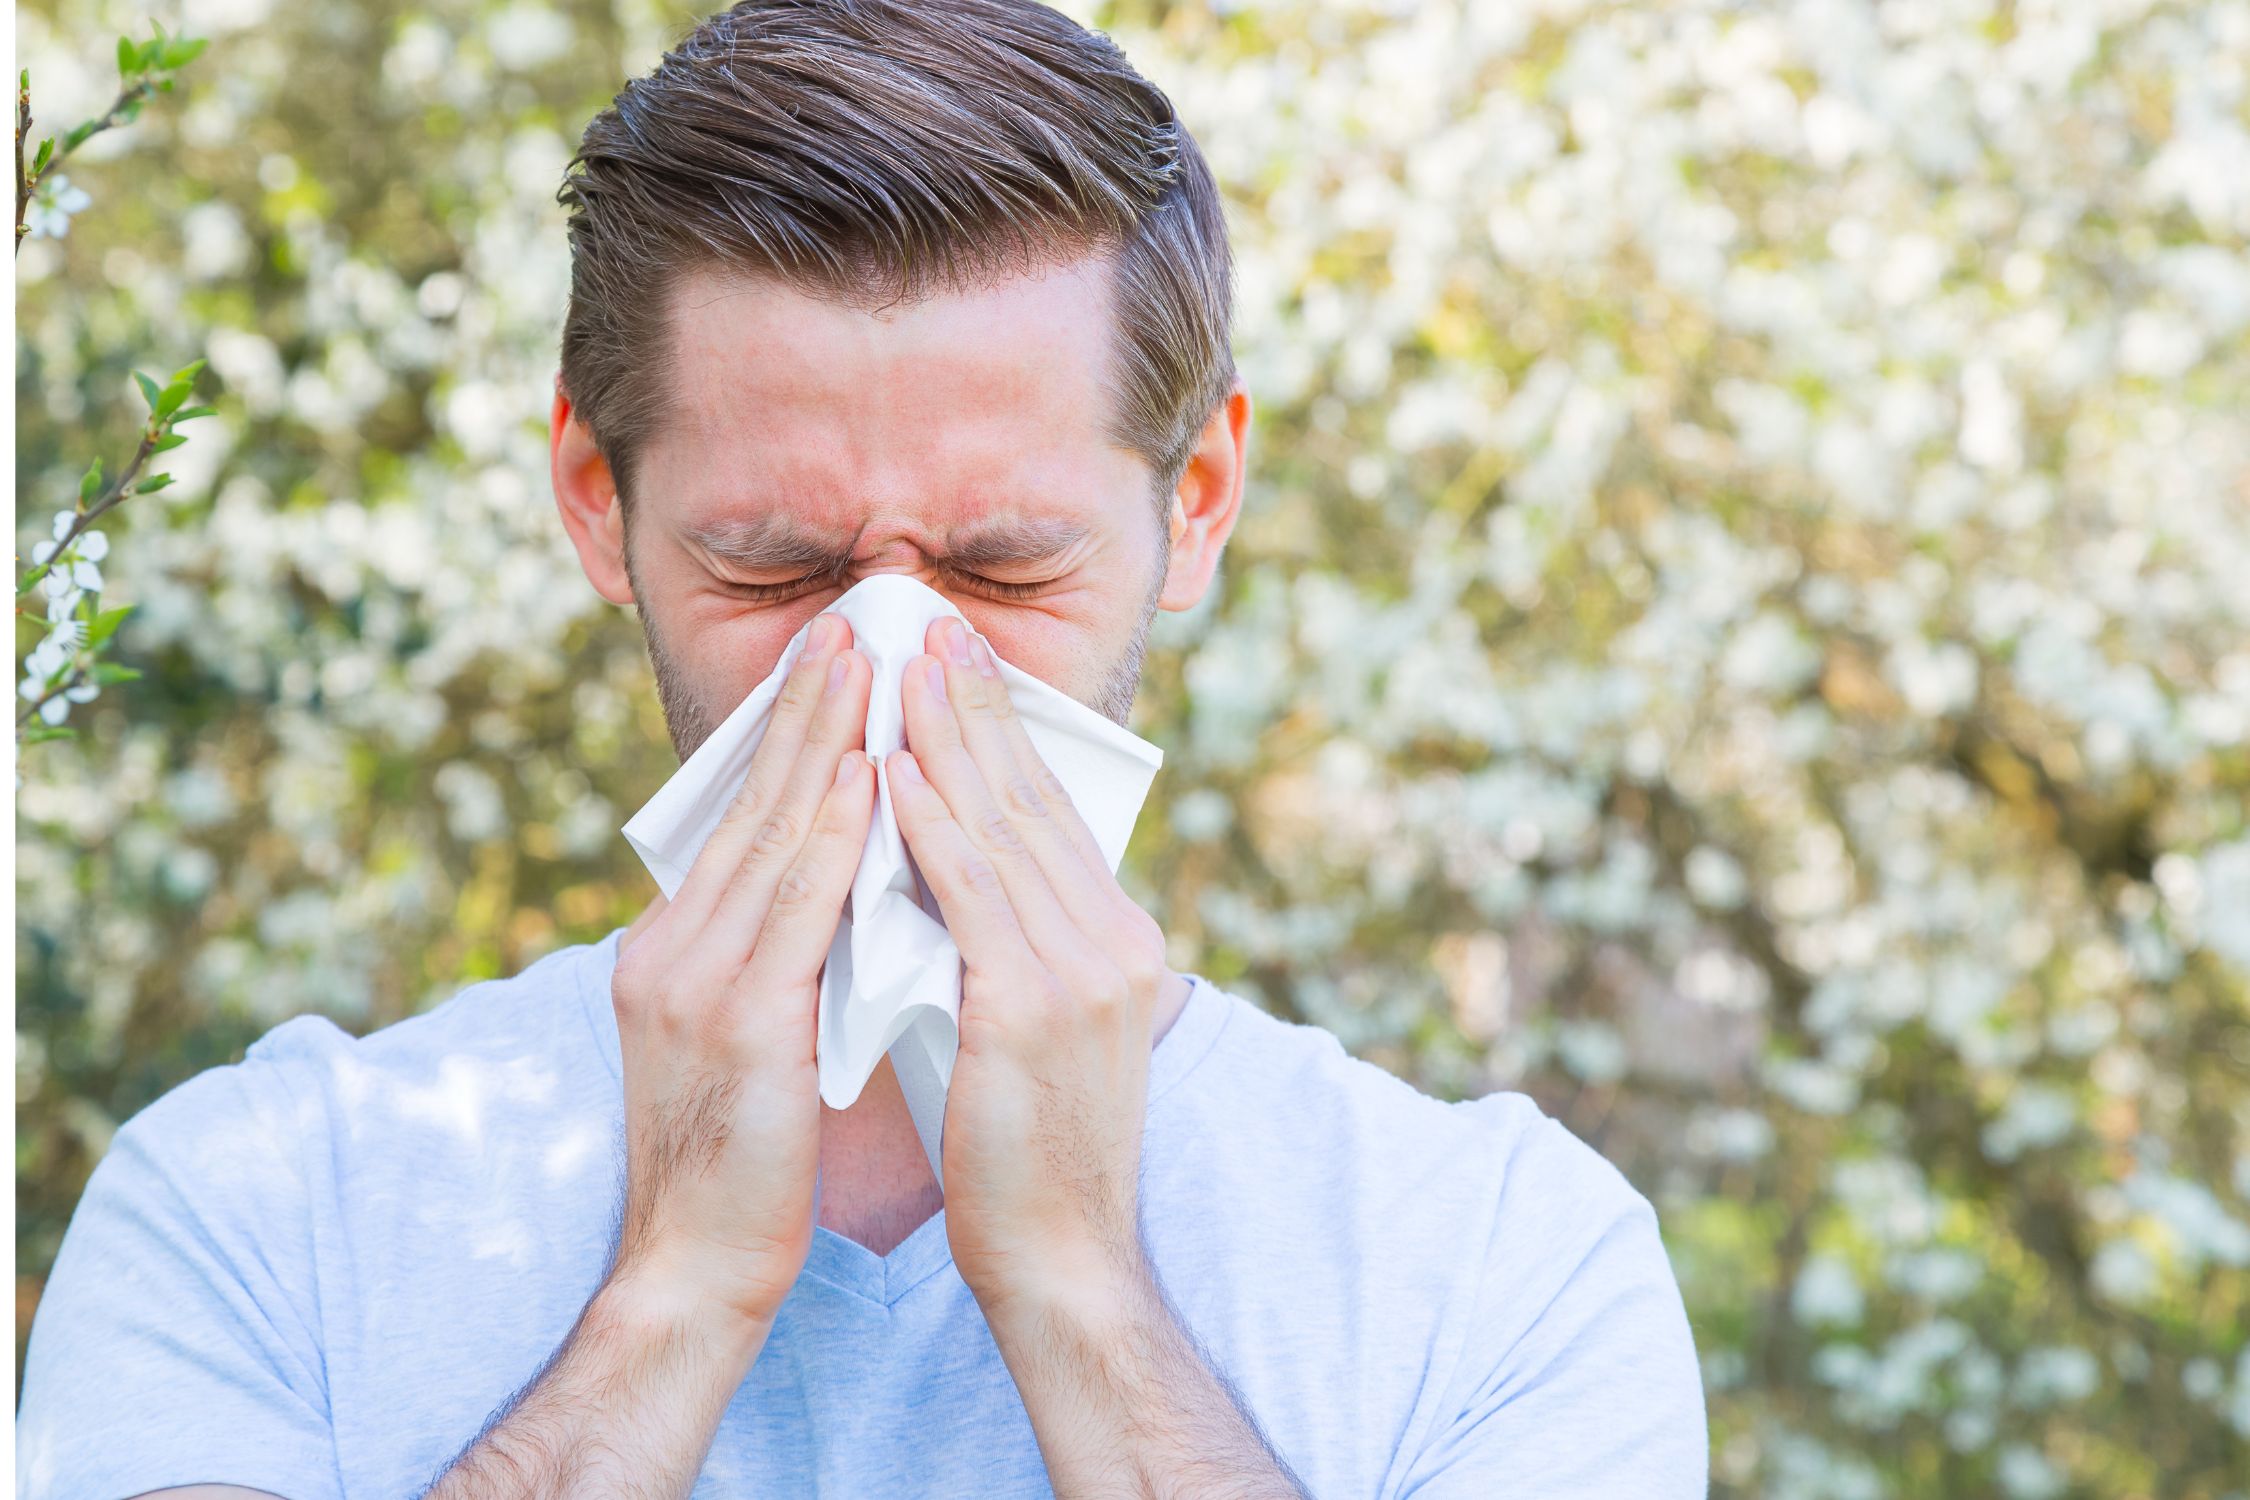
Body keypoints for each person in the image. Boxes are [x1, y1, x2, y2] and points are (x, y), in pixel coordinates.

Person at [15, 2, 1709, 1495]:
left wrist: (1081, 1297)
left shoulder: (1505, 1268)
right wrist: (669, 1300)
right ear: (598, 505)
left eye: (1004, 568)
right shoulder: (249, 1215)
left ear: (1193, 505)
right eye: (777, 567)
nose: (892, 662)